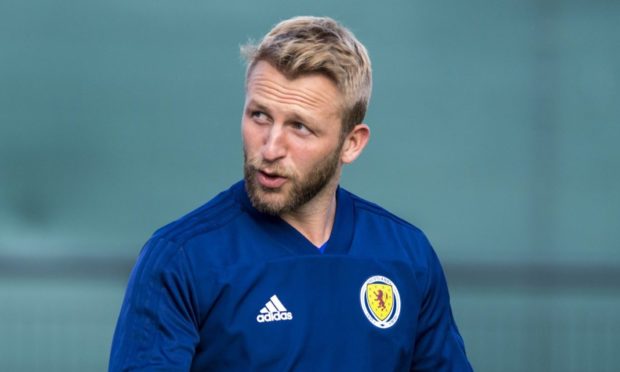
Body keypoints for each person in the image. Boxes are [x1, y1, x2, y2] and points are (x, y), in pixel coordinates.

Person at [109, 16, 473, 371]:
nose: (269, 148)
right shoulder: (180, 260)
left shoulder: (407, 256)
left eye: (299, 127)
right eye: (259, 116)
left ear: (351, 143)